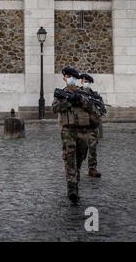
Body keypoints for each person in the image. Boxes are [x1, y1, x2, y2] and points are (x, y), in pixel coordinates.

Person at [52, 67, 95, 204]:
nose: (69, 79)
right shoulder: (61, 94)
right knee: (70, 160)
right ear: (64, 78)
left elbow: (93, 108)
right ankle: (72, 191)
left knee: (79, 160)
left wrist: (80, 99)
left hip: (83, 132)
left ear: (76, 79)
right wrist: (68, 101)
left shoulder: (83, 93)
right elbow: (54, 108)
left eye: (72, 77)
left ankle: (75, 183)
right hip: (68, 132)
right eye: (67, 76)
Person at [79, 73, 102, 178]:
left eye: (87, 81)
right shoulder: (77, 93)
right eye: (83, 81)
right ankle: (76, 167)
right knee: (80, 150)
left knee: (92, 148)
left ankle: (92, 168)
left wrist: (95, 108)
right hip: (80, 126)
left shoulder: (95, 95)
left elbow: (101, 110)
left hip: (92, 126)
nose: (85, 83)